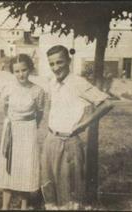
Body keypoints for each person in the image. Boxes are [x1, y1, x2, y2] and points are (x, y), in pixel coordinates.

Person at [41, 45, 113, 210]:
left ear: (69, 61)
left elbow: (107, 104)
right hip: (51, 140)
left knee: (70, 193)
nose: (56, 67)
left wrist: (84, 124)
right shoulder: (52, 82)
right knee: (49, 189)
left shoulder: (78, 82)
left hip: (69, 142)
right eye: (52, 64)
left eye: (60, 62)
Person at [0, 54, 45, 210]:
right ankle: (5, 206)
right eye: (17, 71)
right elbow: (5, 110)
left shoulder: (37, 90)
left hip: (28, 131)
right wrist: (13, 123)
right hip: (12, 129)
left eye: (24, 70)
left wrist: (29, 126)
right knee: (8, 166)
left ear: (30, 69)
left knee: (25, 166)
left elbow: (39, 113)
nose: (21, 74)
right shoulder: (8, 89)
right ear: (13, 72)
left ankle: (24, 205)